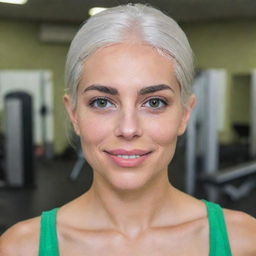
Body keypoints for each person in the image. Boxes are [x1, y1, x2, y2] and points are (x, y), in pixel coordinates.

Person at [1, 3, 256, 256]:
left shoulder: (245, 240)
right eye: (102, 102)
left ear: (185, 114)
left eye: (154, 102)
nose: (128, 128)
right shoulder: (20, 248)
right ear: (74, 114)